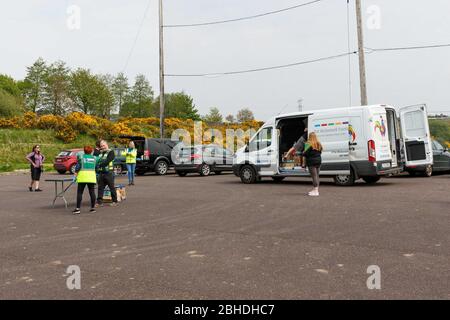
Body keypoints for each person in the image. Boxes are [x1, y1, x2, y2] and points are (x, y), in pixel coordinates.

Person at [73, 146, 98, 215]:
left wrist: (75, 176)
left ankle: (78, 209)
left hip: (82, 177)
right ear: (91, 151)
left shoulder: (81, 158)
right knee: (92, 192)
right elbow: (96, 168)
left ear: (84, 151)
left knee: (80, 193)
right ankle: (92, 208)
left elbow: (77, 168)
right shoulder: (94, 158)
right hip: (91, 177)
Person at [96, 140, 118, 207]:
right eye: (101, 146)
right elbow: (96, 160)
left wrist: (99, 165)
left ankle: (114, 201)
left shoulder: (111, 152)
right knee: (100, 188)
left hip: (109, 173)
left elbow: (108, 161)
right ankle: (99, 202)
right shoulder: (100, 153)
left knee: (111, 187)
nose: (103, 147)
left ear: (107, 144)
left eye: (104, 145)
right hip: (101, 173)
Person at [303, 132, 323, 197]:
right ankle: (316, 190)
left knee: (314, 176)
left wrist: (302, 153)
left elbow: (305, 154)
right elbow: (320, 152)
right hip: (318, 161)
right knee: (317, 176)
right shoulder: (318, 144)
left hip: (311, 162)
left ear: (310, 137)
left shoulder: (308, 144)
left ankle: (316, 191)